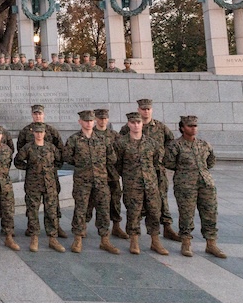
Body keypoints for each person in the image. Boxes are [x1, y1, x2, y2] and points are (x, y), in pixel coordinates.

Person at [164, 116, 227, 259]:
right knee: (186, 214)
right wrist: (185, 171)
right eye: (190, 126)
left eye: (195, 126)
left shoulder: (204, 145)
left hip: (206, 183)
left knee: (210, 212)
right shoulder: (176, 145)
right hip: (185, 185)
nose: (193, 128)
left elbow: (211, 161)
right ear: (182, 128)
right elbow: (168, 163)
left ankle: (211, 243)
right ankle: (186, 242)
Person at [120, 98, 179, 241]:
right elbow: (120, 149)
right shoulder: (127, 128)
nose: (146, 111)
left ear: (151, 110)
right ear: (139, 110)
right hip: (136, 173)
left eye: (148, 109)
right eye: (143, 109)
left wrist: (163, 160)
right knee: (136, 203)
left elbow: (171, 144)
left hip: (156, 171)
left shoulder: (160, 127)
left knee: (161, 199)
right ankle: (134, 232)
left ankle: (166, 227)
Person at [64, 110, 120, 254]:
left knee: (103, 210)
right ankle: (78, 238)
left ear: (94, 122)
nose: (88, 123)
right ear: (80, 122)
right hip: (82, 182)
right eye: (86, 121)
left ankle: (105, 240)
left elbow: (112, 158)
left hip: (101, 181)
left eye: (91, 121)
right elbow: (68, 157)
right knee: (81, 209)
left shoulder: (103, 140)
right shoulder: (74, 140)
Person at [114, 112, 168, 256]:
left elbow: (157, 163)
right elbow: (117, 164)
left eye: (138, 122)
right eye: (133, 123)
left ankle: (155, 241)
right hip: (132, 185)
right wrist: (129, 176)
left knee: (154, 213)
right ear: (128, 124)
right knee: (133, 213)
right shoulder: (121, 143)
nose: (136, 125)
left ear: (142, 124)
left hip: (151, 185)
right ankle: (134, 241)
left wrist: (153, 180)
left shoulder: (151, 143)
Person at [16, 105, 68, 237]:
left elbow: (60, 150)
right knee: (32, 203)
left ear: (43, 114)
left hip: (50, 175)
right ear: (32, 115)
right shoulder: (25, 131)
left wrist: (52, 169)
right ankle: (31, 227)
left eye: (39, 113)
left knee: (52, 201)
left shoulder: (51, 131)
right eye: (35, 114)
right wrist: (31, 168)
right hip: (34, 176)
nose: (37, 116)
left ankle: (56, 226)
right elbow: (21, 151)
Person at [93, 108, 127, 239]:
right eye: (100, 118)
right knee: (90, 201)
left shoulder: (114, 135)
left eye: (105, 118)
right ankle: (83, 226)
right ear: (96, 119)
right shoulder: (91, 134)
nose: (102, 121)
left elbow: (121, 153)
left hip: (112, 174)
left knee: (115, 200)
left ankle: (116, 226)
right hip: (95, 175)